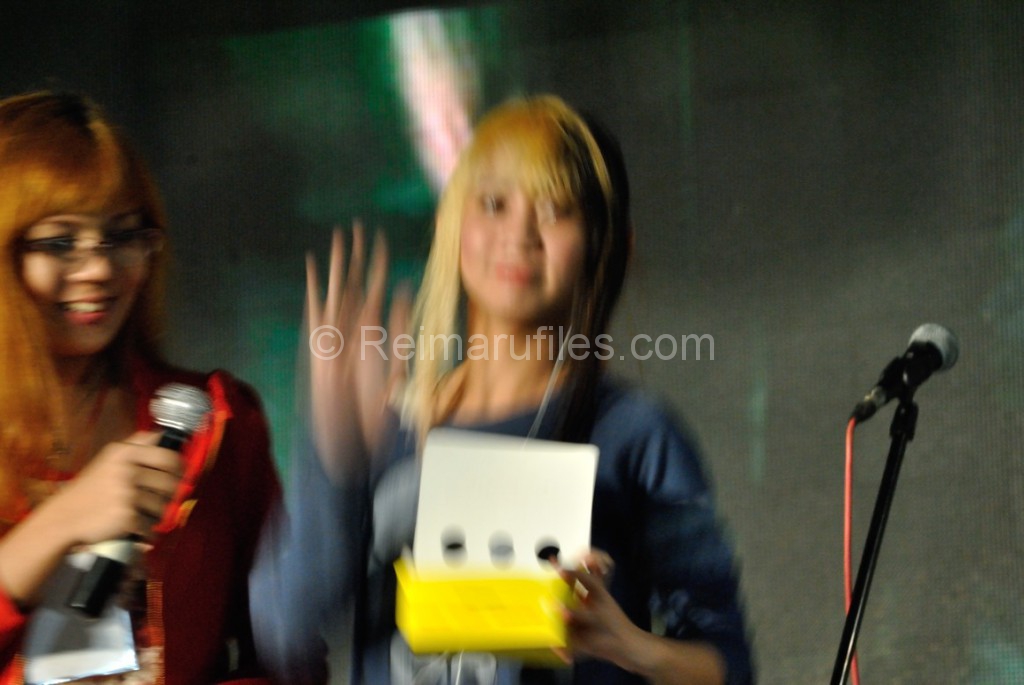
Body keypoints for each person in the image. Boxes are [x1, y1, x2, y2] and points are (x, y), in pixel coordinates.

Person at [252, 94, 753, 684]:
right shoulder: (380, 431)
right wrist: (334, 463)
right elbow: (283, 628)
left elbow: (729, 667)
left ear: (606, 244)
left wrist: (630, 646)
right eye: (494, 203)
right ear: (453, 222)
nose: (520, 233)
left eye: (556, 209)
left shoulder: (636, 433)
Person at [0, 91, 281, 684]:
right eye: (60, 242)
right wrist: (58, 526)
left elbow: (281, 648)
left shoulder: (218, 421)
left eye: (123, 236)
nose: (100, 268)